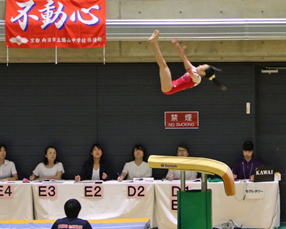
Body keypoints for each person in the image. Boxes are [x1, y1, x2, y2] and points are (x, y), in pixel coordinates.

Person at [148, 29, 226, 95]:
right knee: (162, 65)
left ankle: (154, 42)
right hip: (171, 85)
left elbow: (194, 76)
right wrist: (177, 45)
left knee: (163, 65)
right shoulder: (193, 69)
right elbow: (183, 57)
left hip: (169, 89)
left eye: (202, 66)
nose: (200, 65)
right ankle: (153, 42)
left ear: (203, 73)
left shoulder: (198, 79)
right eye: (202, 64)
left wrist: (191, 73)